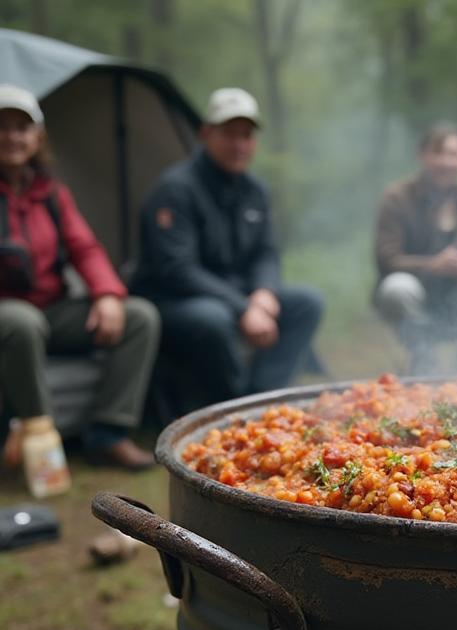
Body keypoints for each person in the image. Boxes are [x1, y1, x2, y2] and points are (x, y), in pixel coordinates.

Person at [133, 88, 323, 413]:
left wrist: (265, 292)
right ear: (206, 134)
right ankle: (229, 408)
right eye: (229, 134)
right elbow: (177, 269)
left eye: (247, 136)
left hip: (235, 296)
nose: (239, 145)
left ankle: (264, 400)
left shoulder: (255, 191)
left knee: (306, 303)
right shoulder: (176, 189)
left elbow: (266, 251)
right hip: (173, 300)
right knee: (213, 318)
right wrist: (242, 307)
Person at [0, 84, 158, 471]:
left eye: (22, 127)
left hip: (52, 310)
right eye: (1, 126)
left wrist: (107, 295)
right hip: (9, 316)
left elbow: (85, 247)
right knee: (22, 321)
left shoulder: (51, 193)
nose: (12, 136)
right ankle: (39, 440)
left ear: (38, 137)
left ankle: (109, 433)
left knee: (139, 316)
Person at [374, 123, 457, 372]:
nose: (445, 162)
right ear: (422, 155)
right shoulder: (396, 198)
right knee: (396, 287)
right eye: (438, 153)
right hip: (418, 298)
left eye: (453, 154)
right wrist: (432, 265)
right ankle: (425, 365)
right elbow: (387, 258)